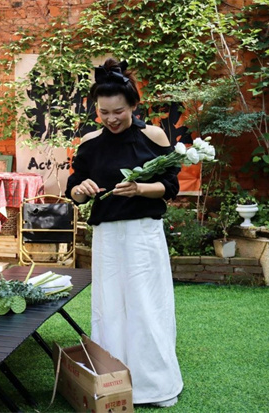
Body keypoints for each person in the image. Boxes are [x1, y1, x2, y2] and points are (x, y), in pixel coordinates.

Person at [65, 58, 183, 407]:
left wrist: (140, 189)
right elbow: (73, 190)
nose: (111, 118)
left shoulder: (153, 136)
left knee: (147, 306)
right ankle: (113, 383)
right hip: (107, 238)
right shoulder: (89, 143)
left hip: (143, 235)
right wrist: (81, 190)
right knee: (110, 308)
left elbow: (171, 185)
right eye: (104, 112)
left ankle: (156, 387)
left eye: (118, 111)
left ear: (133, 105)